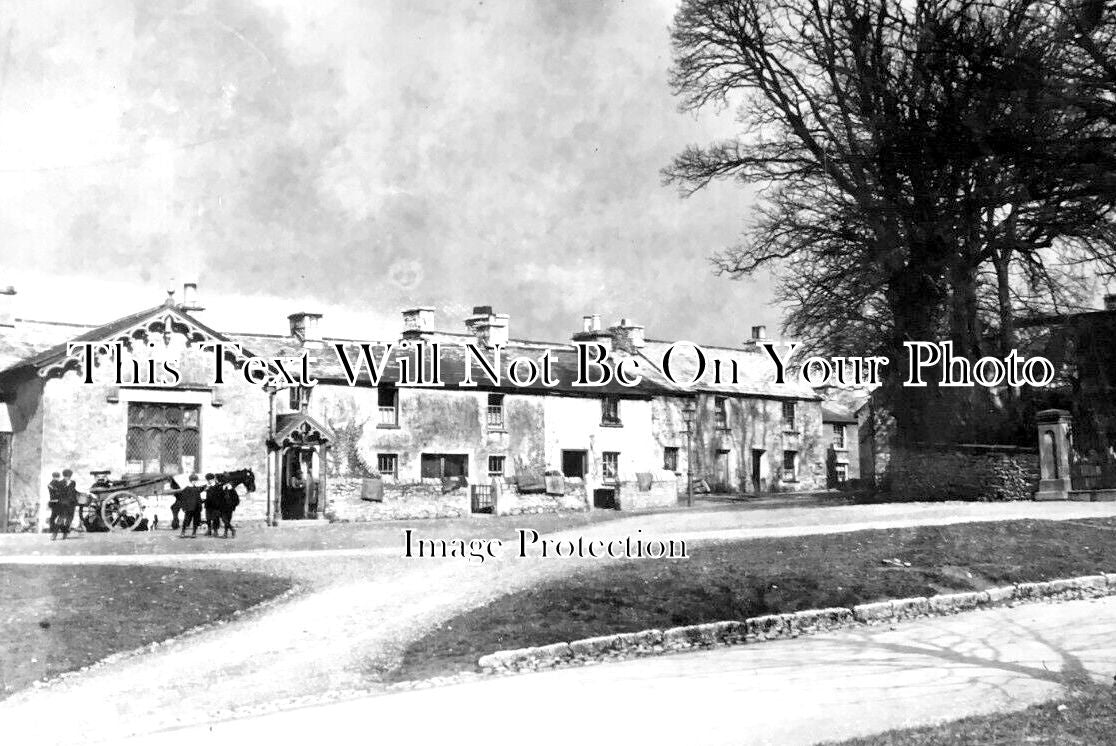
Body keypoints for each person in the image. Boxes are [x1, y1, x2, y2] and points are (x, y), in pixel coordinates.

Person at [57, 469, 78, 539]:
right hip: (64, 503)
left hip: (72, 503)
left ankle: (65, 534)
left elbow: (74, 491)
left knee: (70, 518)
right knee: (61, 518)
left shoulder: (73, 482)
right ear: (64, 476)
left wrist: (80, 494)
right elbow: (60, 493)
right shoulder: (60, 483)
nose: (68, 477)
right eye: (66, 476)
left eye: (69, 476)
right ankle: (55, 533)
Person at [47, 471, 64, 540]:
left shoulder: (50, 484)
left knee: (53, 518)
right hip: (58, 503)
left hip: (55, 503)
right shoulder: (59, 484)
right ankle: (62, 531)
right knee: (57, 518)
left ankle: (55, 533)